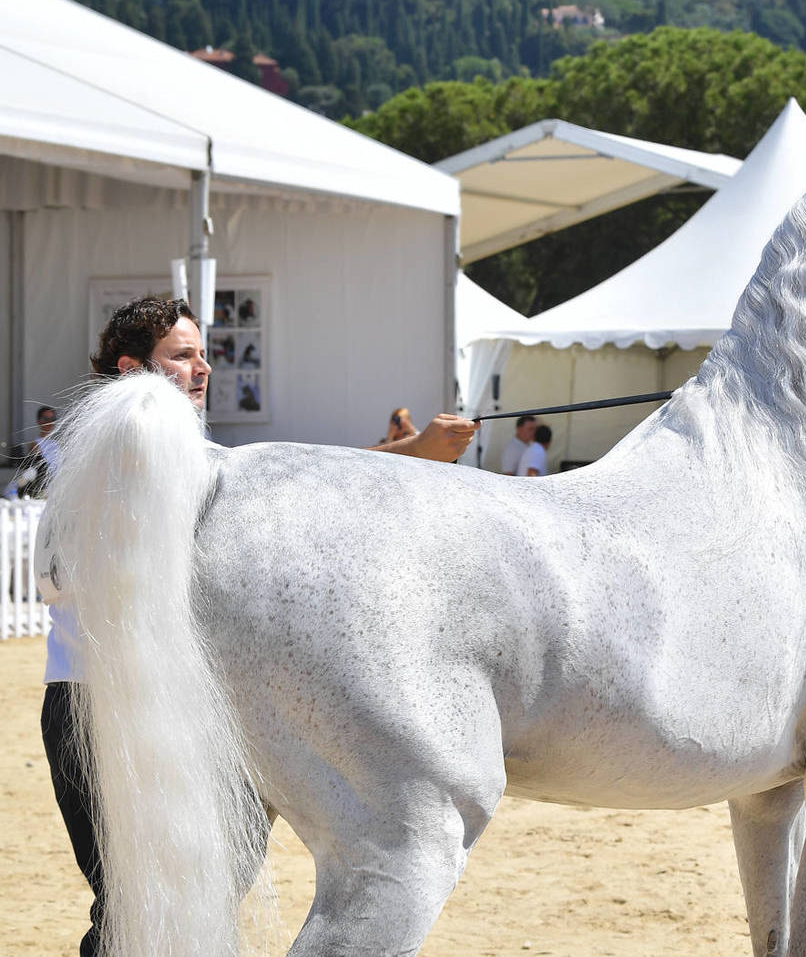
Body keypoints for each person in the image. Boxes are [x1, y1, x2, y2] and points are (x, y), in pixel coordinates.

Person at [43, 295, 477, 957]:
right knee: (130, 906)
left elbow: (289, 493)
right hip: (92, 703)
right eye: (182, 355)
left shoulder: (192, 458)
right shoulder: (100, 460)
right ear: (132, 368)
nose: (202, 367)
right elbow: (62, 576)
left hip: (197, 710)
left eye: (203, 354)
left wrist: (416, 448)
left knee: (207, 885)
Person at [4, 406, 58, 499]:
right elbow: (37, 466)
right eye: (46, 419)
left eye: (52, 419)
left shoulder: (57, 444)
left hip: (56, 481)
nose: (49, 422)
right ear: (39, 421)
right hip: (44, 481)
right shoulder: (36, 443)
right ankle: (15, 488)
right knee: (34, 468)